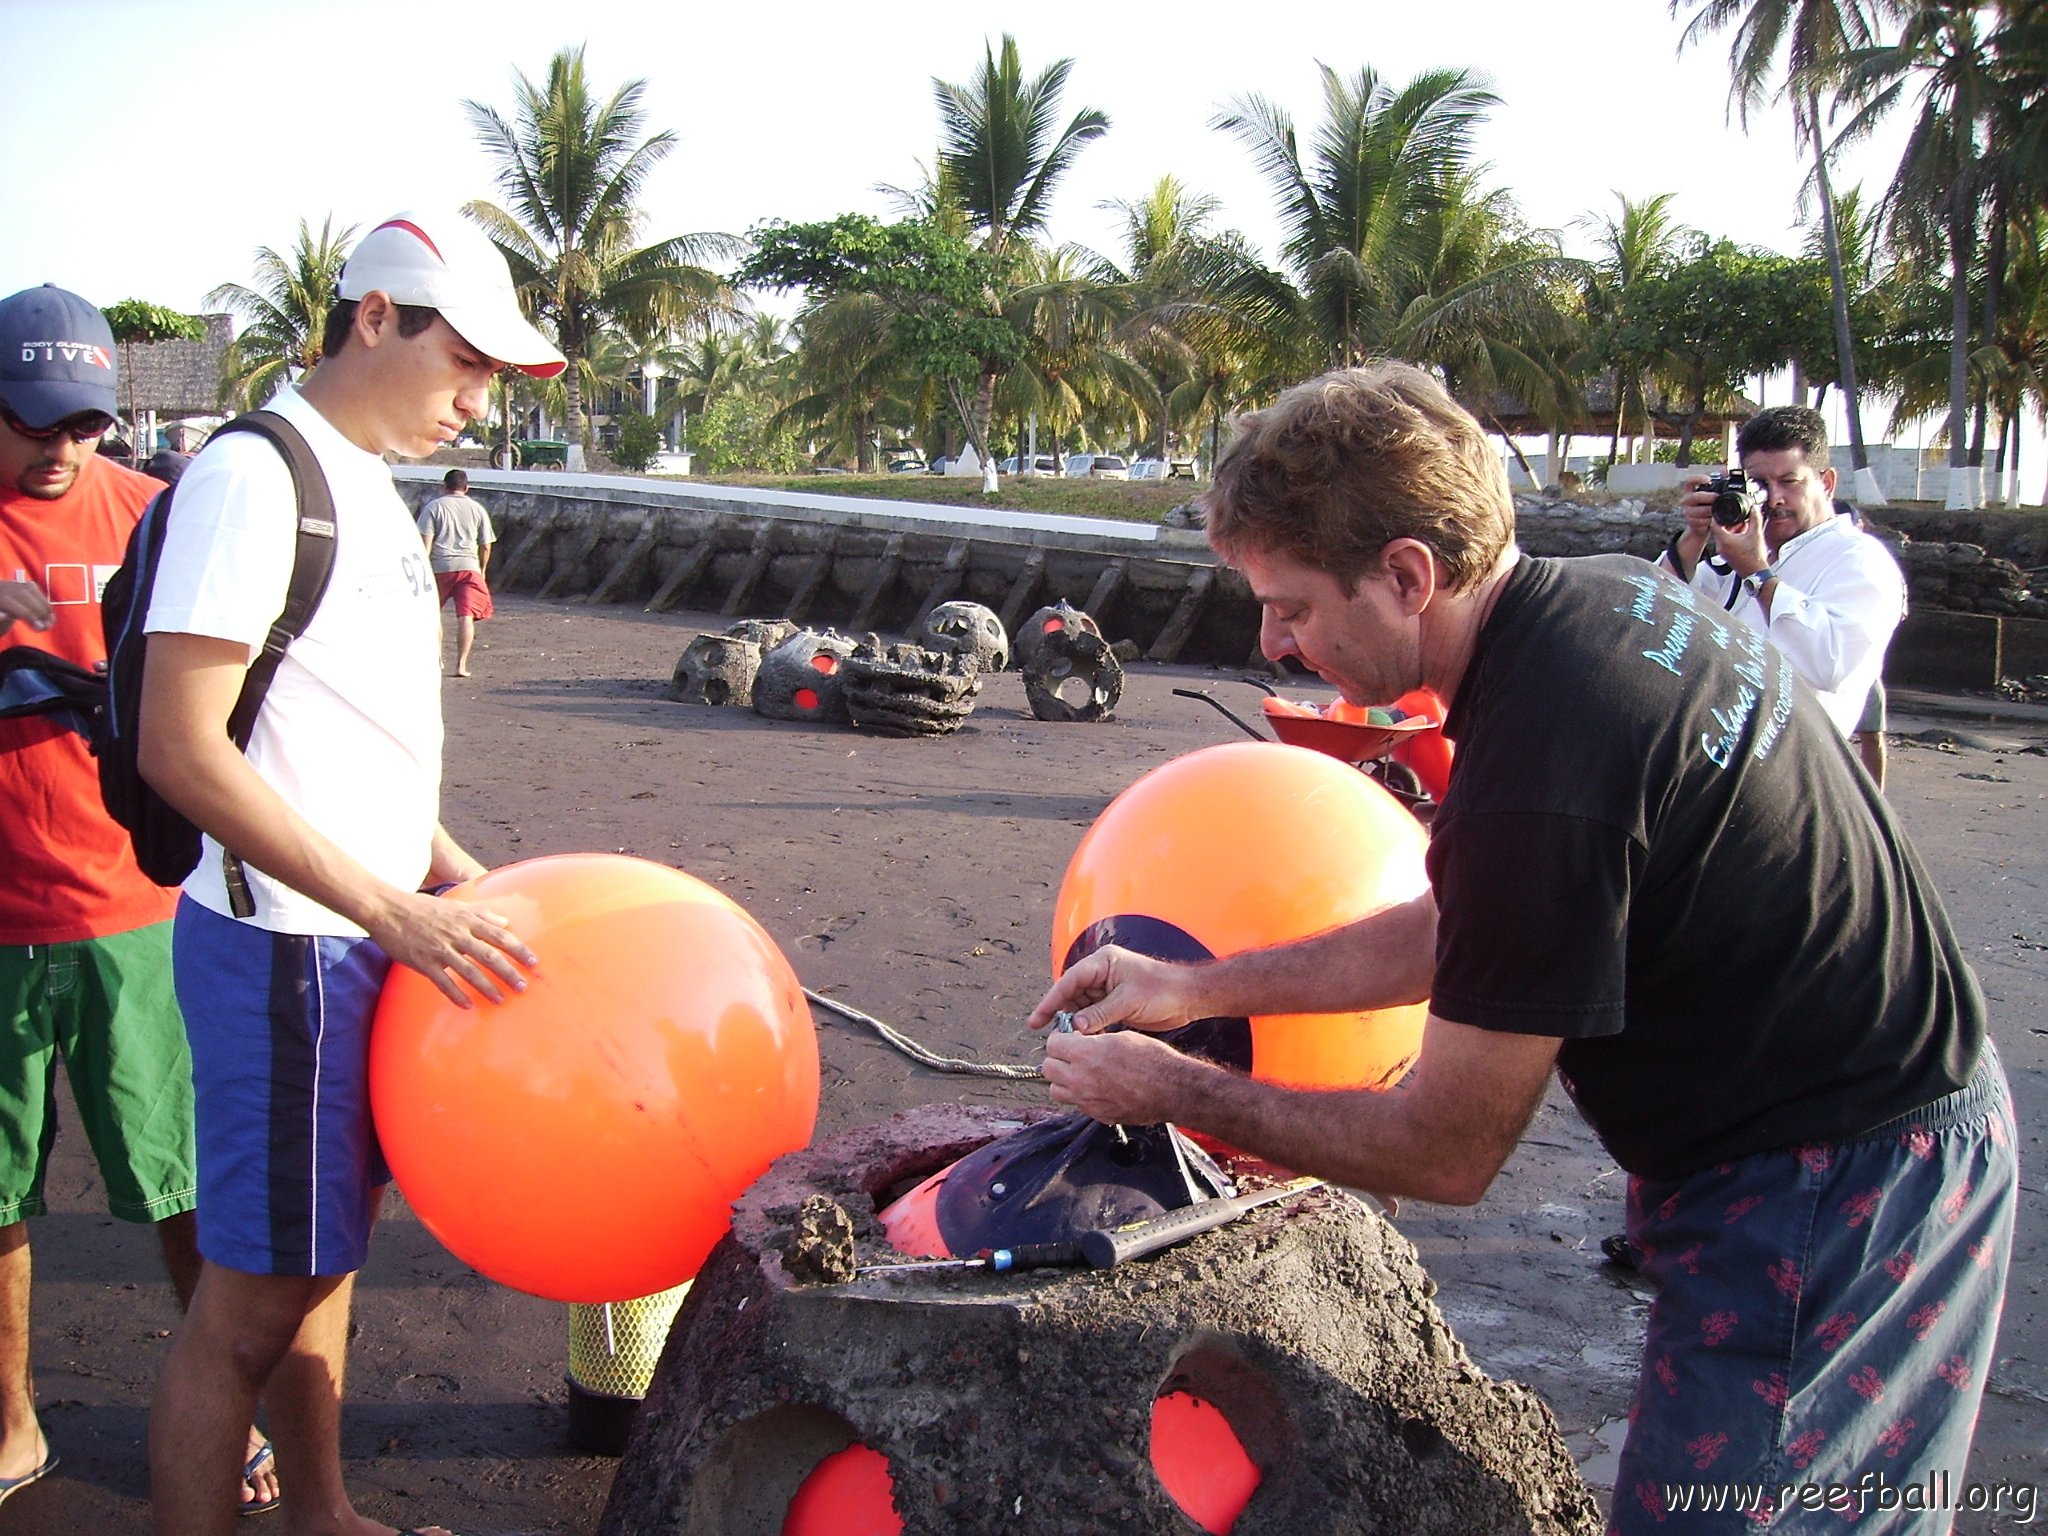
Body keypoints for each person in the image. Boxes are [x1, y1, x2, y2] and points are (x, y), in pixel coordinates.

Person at [1032, 362, 2016, 1533]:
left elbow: (1445, 1150)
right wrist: (1191, 983)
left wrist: (1178, 1088)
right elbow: (1469, 927)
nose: (1273, 642)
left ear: (1406, 575)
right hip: (1883, 1135)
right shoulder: (1590, 605)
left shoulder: (1549, 754)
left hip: (1838, 1190)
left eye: (1290, 605)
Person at [138, 211, 564, 1536]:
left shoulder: (366, 481)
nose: (480, 400)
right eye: (470, 364)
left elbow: (345, 737)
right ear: (375, 317)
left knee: (322, 1268)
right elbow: (178, 746)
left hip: (362, 938)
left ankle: (321, 1514)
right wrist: (388, 908)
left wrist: (448, 871)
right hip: (290, 958)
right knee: (247, 1312)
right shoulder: (258, 478)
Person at [0, 284, 280, 1517]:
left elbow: (235, 699)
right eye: (30, 423)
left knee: (181, 1179)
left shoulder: (160, 516)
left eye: (82, 425)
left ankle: (228, 1398)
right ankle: (10, 1416)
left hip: (132, 909)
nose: (60, 450)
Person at [1659, 406, 1905, 787]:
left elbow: (1830, 664)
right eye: (1759, 484)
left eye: (1790, 481)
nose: (1774, 499)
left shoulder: (1859, 559)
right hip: (1715, 774)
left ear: (1826, 483)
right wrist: (1695, 537)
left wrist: (1757, 575)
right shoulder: (1735, 561)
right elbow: (1653, 610)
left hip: (1794, 780)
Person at [415, 468, 495, 677]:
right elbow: (486, 545)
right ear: (466, 488)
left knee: (433, 614)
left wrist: (423, 568)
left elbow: (426, 542)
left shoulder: (434, 506)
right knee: (465, 616)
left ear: (444, 486)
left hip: (440, 567)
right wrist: (483, 570)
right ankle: (461, 665)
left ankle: (438, 660)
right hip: (469, 568)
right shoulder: (478, 509)